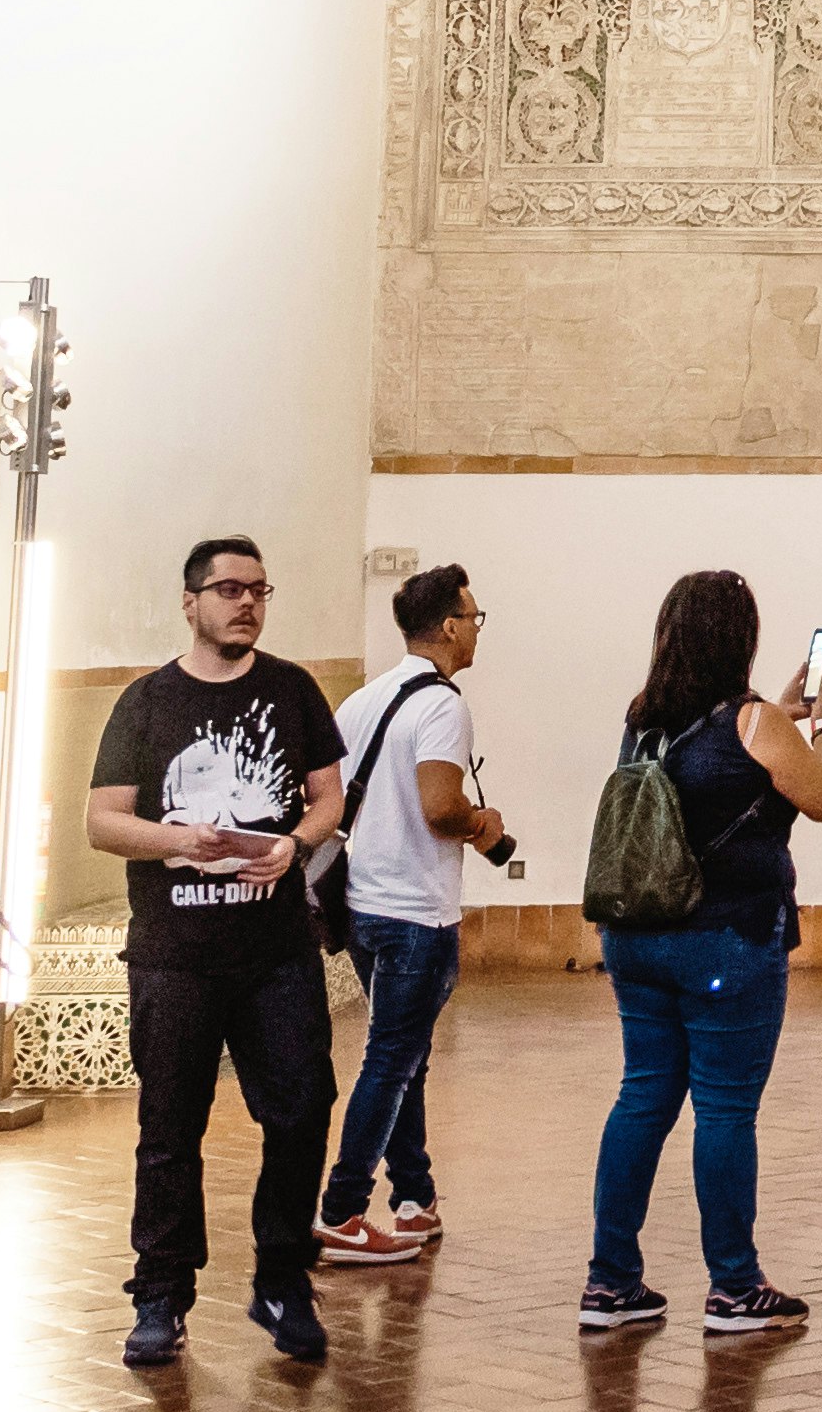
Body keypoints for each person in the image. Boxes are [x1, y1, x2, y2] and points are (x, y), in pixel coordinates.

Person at [90, 533, 348, 1369]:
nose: (247, 604)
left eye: (259, 591)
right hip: (174, 955)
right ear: (190, 601)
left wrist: (296, 845)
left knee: (302, 1110)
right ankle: (161, 1293)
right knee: (170, 1128)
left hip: (276, 952)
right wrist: (179, 839)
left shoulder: (292, 689)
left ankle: (282, 1278)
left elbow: (328, 798)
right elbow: (103, 821)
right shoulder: (146, 702)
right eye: (230, 589)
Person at [582, 570, 822, 1335]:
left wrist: (780, 713)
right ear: (742, 638)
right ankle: (734, 1287)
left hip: (636, 936)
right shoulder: (754, 722)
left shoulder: (644, 717)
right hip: (725, 941)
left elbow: (712, 761)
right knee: (726, 1109)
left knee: (643, 1097)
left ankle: (610, 1284)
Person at [317, 562, 511, 1267]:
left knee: (406, 1056)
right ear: (451, 626)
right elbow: (439, 808)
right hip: (415, 914)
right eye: (474, 617)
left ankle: (414, 1196)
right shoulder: (443, 707)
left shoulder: (362, 701)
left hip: (363, 905)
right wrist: (483, 824)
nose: (477, 629)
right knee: (392, 1060)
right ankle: (341, 1211)